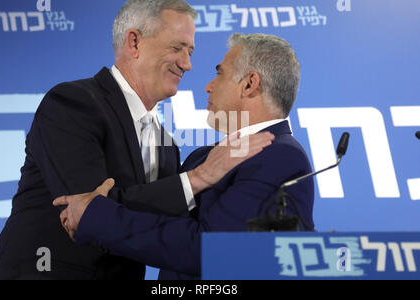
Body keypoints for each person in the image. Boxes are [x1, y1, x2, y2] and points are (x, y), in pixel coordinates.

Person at [0, 0, 273, 280]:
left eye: (190, 52)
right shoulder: (73, 104)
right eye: (177, 48)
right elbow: (87, 212)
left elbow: (141, 226)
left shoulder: (167, 145)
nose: (187, 64)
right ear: (134, 42)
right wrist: (196, 179)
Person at [53, 33, 315, 280]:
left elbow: (212, 250)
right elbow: (159, 216)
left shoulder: (281, 157)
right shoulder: (204, 157)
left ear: (249, 84)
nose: (208, 86)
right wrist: (98, 206)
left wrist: (97, 217)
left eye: (219, 74)